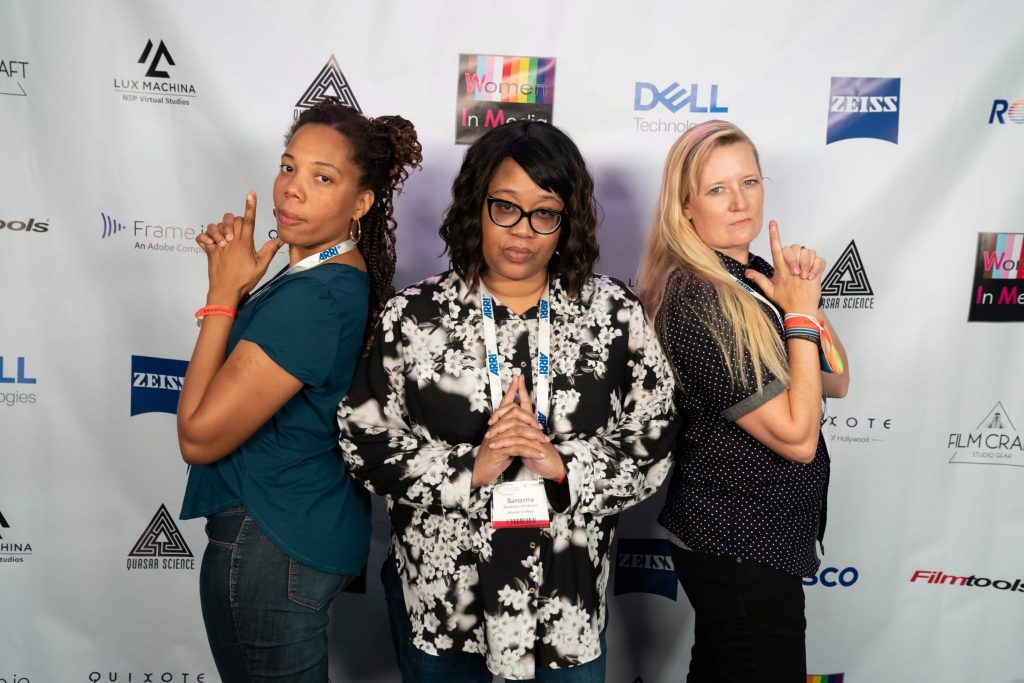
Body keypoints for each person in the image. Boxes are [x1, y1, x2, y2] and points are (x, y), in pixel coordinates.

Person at [337, 119, 678, 682]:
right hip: (446, 599)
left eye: (545, 213)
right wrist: (472, 468)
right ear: (477, 205)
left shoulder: (614, 314)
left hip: (566, 603)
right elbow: (365, 441)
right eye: (505, 208)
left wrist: (562, 466)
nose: (523, 230)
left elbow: (655, 434)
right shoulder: (415, 316)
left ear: (568, 222)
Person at [176, 98, 421, 682]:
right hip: (291, 529)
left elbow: (198, 437)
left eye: (322, 177)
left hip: (269, 539)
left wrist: (222, 297)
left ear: (361, 203)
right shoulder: (323, 277)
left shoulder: (317, 297)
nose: (293, 188)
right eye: (288, 167)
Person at [636, 119, 850, 682]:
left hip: (759, 539)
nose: (740, 202)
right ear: (685, 207)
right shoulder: (699, 297)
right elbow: (798, 439)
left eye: (749, 182)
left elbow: (835, 379)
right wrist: (798, 315)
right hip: (739, 544)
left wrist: (803, 303)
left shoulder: (751, 276)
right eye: (717, 189)